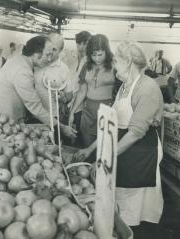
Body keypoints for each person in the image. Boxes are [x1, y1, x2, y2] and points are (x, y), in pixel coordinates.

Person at [75, 42, 164, 238]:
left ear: (129, 62)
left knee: (137, 206)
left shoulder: (146, 88)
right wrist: (91, 148)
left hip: (140, 152)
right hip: (124, 149)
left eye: (116, 60)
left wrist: (107, 157)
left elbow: (135, 132)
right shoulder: (125, 86)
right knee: (122, 202)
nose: (113, 64)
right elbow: (113, 123)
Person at [0, 36, 76, 138]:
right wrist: (61, 127)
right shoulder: (23, 70)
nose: (49, 59)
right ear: (37, 55)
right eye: (48, 55)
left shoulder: (20, 61)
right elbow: (35, 107)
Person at [69, 34, 116, 147]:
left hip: (107, 112)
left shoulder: (115, 66)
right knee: (88, 147)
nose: (97, 59)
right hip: (88, 113)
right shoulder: (86, 66)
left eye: (100, 55)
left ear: (107, 52)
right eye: (94, 55)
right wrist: (72, 112)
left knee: (104, 149)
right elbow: (82, 91)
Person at [35, 33, 73, 125]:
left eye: (54, 49)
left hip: (55, 117)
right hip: (34, 115)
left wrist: (63, 98)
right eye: (49, 47)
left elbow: (69, 95)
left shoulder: (64, 69)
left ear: (60, 51)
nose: (50, 52)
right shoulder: (36, 63)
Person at [62, 31, 91, 146]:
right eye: (79, 43)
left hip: (82, 106)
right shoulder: (72, 60)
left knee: (78, 137)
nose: (81, 47)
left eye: (85, 44)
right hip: (69, 102)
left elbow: (85, 88)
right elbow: (69, 82)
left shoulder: (90, 62)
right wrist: (66, 101)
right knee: (68, 136)